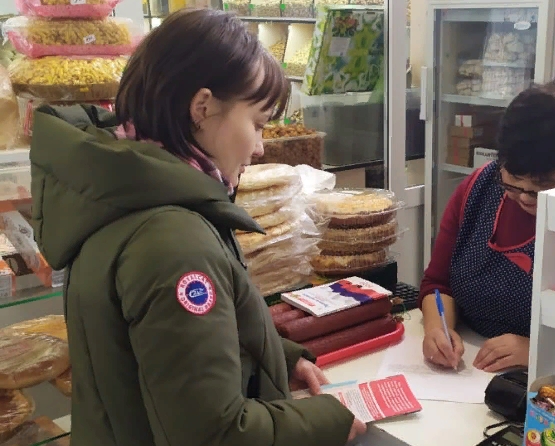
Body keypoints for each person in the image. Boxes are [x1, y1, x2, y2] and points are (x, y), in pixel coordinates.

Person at [29, 9, 366, 446]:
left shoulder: (124, 193)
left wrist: (276, 360)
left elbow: (163, 353)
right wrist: (327, 421)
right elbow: (212, 433)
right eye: (257, 124)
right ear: (202, 108)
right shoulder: (172, 241)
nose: (260, 148)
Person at [419, 83, 555, 373]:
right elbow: (438, 284)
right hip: (470, 361)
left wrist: (538, 349)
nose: (525, 197)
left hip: (554, 374)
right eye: (513, 181)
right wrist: (438, 330)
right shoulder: (478, 189)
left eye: (543, 186)